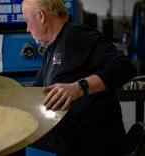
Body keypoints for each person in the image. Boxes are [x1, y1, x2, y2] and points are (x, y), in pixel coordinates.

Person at [22, 0, 137, 155]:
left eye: (27, 22)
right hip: (67, 139)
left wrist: (79, 87)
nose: (27, 29)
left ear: (41, 16)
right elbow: (37, 93)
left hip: (94, 144)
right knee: (14, 136)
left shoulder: (77, 35)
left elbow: (124, 66)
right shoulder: (51, 50)